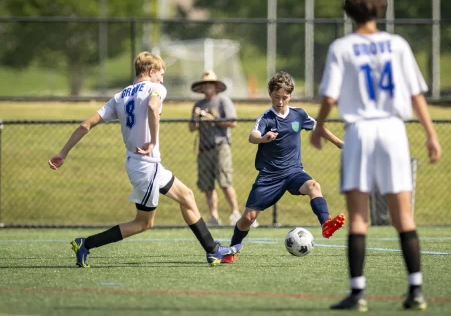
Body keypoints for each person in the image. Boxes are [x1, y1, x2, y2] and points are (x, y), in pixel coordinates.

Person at [310, 0, 442, 311]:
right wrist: (430, 134)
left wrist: (321, 126)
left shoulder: (342, 47)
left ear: (348, 11)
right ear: (380, 9)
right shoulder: (397, 44)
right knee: (404, 217)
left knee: (358, 218)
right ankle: (416, 290)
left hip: (359, 132)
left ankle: (357, 294)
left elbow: (329, 97)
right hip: (394, 131)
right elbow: (416, 95)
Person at [48, 52, 241, 268]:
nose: (162, 79)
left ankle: (213, 251)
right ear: (150, 72)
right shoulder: (155, 88)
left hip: (142, 164)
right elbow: (152, 106)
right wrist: (151, 141)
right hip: (146, 165)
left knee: (186, 196)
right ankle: (86, 244)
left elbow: (86, 125)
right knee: (143, 223)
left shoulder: (119, 96)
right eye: (161, 74)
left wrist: (63, 153)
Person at [221, 71, 346, 264]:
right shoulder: (267, 118)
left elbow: (318, 127)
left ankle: (326, 224)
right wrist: (263, 138)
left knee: (314, 186)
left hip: (293, 171)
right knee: (249, 217)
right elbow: (252, 136)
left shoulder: (299, 114)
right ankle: (233, 249)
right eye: (276, 97)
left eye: (284, 97)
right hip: (269, 176)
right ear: (270, 94)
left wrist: (339, 143)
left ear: (290, 96)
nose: (280, 101)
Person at [189, 71, 252, 227]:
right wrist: (197, 118)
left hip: (220, 146)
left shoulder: (223, 101)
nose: (207, 87)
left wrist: (213, 119)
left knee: (225, 182)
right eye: (205, 84)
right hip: (203, 149)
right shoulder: (198, 105)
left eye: (210, 83)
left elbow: (232, 122)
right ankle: (213, 216)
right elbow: (191, 127)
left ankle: (235, 213)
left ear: (215, 86)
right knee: (207, 186)